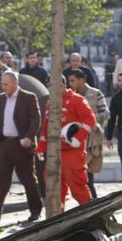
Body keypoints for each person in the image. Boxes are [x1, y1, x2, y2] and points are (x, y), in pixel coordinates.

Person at [0, 71, 42, 222]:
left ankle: (35, 210)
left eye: (6, 84)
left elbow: (36, 119)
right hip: (5, 145)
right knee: (1, 179)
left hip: (22, 144)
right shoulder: (1, 99)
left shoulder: (28, 97)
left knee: (28, 180)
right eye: (2, 84)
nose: (3, 87)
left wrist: (29, 137)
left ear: (15, 83)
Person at [36, 75, 96, 210]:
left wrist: (78, 138)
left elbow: (90, 119)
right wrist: (41, 148)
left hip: (72, 152)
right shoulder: (50, 103)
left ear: (63, 85)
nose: (52, 90)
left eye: (55, 87)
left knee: (77, 186)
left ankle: (92, 216)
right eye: (49, 87)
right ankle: (58, 219)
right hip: (53, 153)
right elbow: (46, 127)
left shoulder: (77, 100)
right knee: (54, 188)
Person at [68, 69, 109, 199]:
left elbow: (106, 114)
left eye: (73, 80)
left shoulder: (96, 94)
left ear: (82, 80)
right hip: (75, 140)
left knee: (88, 175)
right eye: (69, 81)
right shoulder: (71, 96)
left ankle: (93, 203)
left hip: (92, 140)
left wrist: (89, 118)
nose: (70, 83)